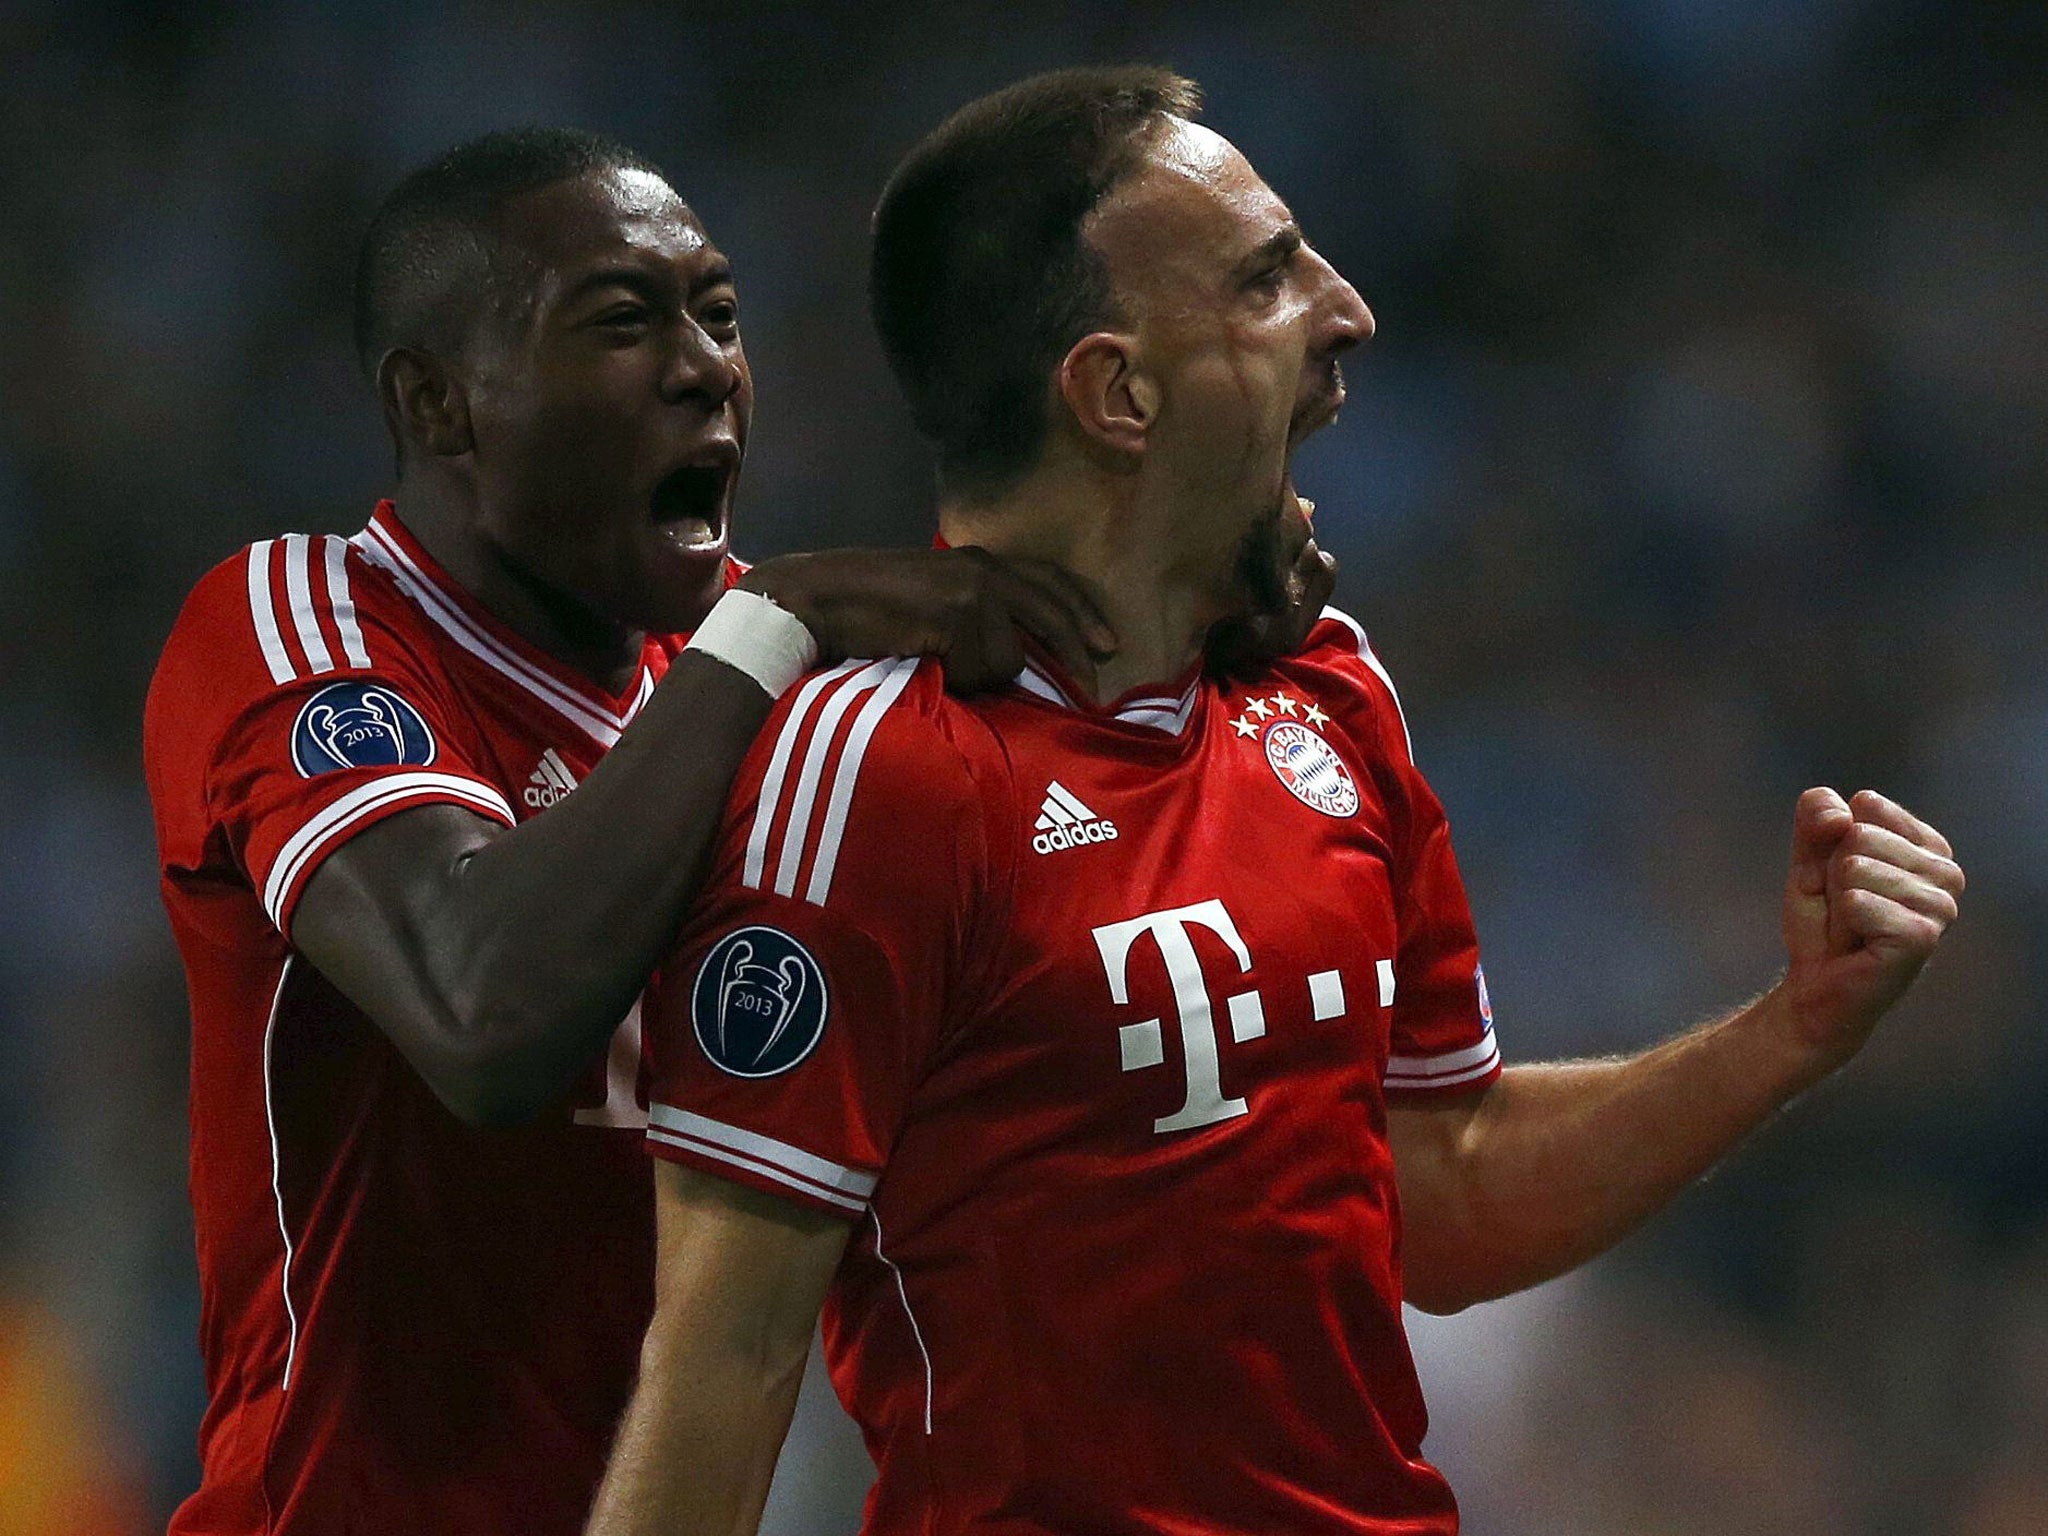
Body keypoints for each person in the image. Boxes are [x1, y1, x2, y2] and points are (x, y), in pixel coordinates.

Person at [585, 67, 1967, 1536]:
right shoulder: (881, 774)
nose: (1347, 307)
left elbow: (1445, 1187)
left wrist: (1786, 1033)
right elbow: (725, 1360)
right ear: (1116, 393)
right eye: (1266, 279)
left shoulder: (1325, 690)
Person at [143, 125, 1317, 1535]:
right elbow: (484, 1012)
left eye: (719, 315)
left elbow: (1056, 783)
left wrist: (1195, 598)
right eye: (626, 323)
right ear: (441, 407)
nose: (706, 367)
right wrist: (776, 632)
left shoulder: (764, 681)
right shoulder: (299, 623)